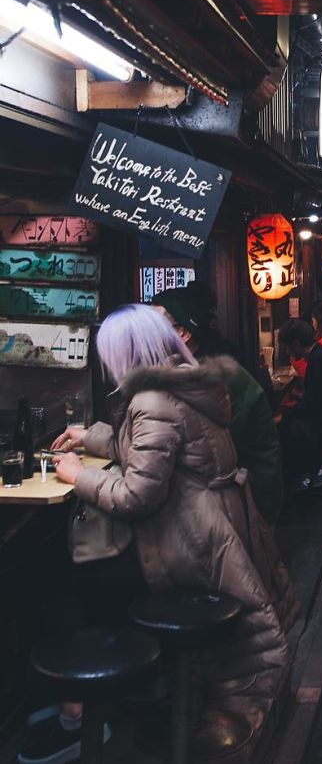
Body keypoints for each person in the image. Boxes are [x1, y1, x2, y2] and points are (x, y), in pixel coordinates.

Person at [20, 305, 297, 764]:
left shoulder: (152, 401)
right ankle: (102, 699)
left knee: (73, 579)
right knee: (78, 578)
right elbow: (151, 450)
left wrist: (76, 475)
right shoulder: (179, 387)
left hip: (187, 545)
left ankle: (86, 709)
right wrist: (87, 436)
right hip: (210, 530)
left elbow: (136, 496)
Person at [151, 282, 284, 525]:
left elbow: (203, 453)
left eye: (153, 325)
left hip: (242, 504)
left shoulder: (214, 381)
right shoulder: (186, 372)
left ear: (183, 332)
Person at [277, 319, 322, 490]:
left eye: (288, 346)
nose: (288, 351)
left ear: (296, 343)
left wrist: (285, 414)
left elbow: (313, 405)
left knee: (284, 428)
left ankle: (300, 477)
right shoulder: (320, 356)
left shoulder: (318, 360)